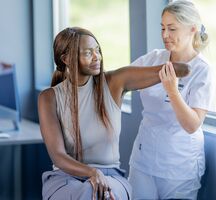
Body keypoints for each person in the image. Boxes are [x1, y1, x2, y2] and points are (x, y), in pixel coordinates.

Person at [38, 27, 189, 200]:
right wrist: (92, 173)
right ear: (66, 59)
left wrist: (181, 54)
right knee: (90, 192)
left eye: (97, 50)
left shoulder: (114, 82)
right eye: (88, 53)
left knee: (96, 193)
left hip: (112, 177)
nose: (97, 57)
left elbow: (181, 69)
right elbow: (58, 156)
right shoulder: (48, 98)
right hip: (64, 179)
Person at [128, 0, 216, 200]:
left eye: (172, 28)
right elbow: (122, 79)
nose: (165, 35)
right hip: (144, 158)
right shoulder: (153, 58)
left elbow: (192, 124)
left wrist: (173, 91)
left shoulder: (203, 70)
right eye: (162, 28)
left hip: (180, 165)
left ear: (192, 29)